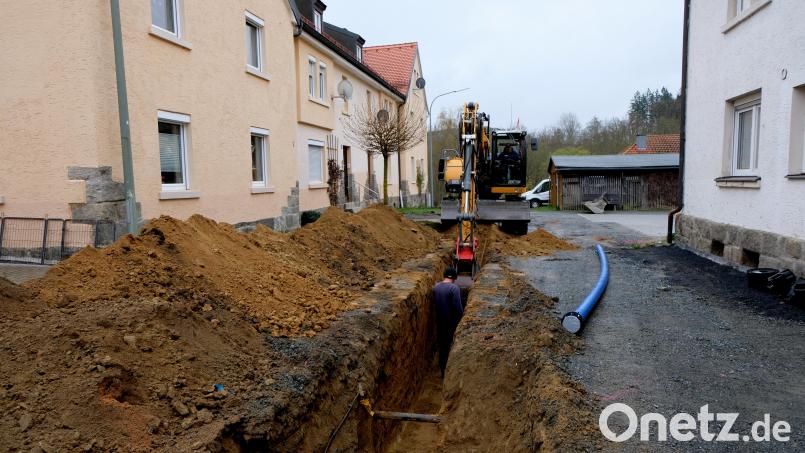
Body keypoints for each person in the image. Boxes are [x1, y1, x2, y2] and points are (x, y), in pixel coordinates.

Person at [433, 267, 464, 378]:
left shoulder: (436, 287)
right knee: (451, 345)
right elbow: (458, 308)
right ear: (454, 278)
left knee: (442, 347)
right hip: (451, 323)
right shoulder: (454, 288)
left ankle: (442, 370)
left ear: (444, 275)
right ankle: (450, 372)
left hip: (439, 322)